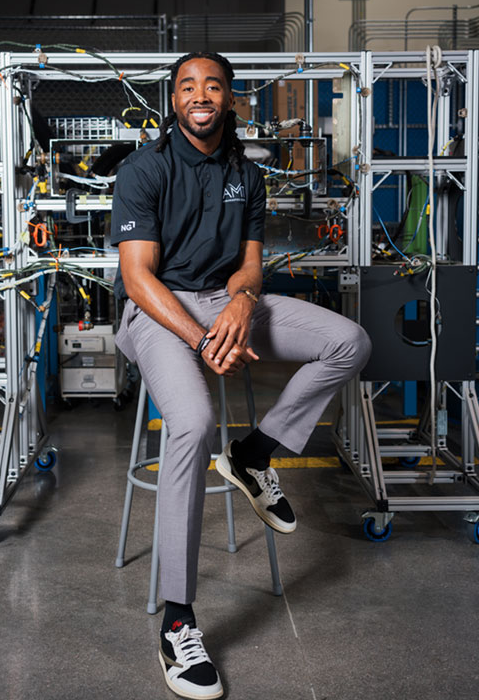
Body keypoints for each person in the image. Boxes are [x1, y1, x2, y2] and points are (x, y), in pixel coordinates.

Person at [111, 52, 371, 700]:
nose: (201, 96)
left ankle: (254, 453)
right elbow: (138, 278)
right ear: (173, 100)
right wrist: (202, 338)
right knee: (193, 422)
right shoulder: (145, 169)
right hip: (159, 312)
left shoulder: (246, 176)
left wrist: (244, 301)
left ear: (230, 99)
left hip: (226, 305)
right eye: (188, 86)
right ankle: (178, 621)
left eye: (213, 86)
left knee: (350, 341)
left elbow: (251, 266)